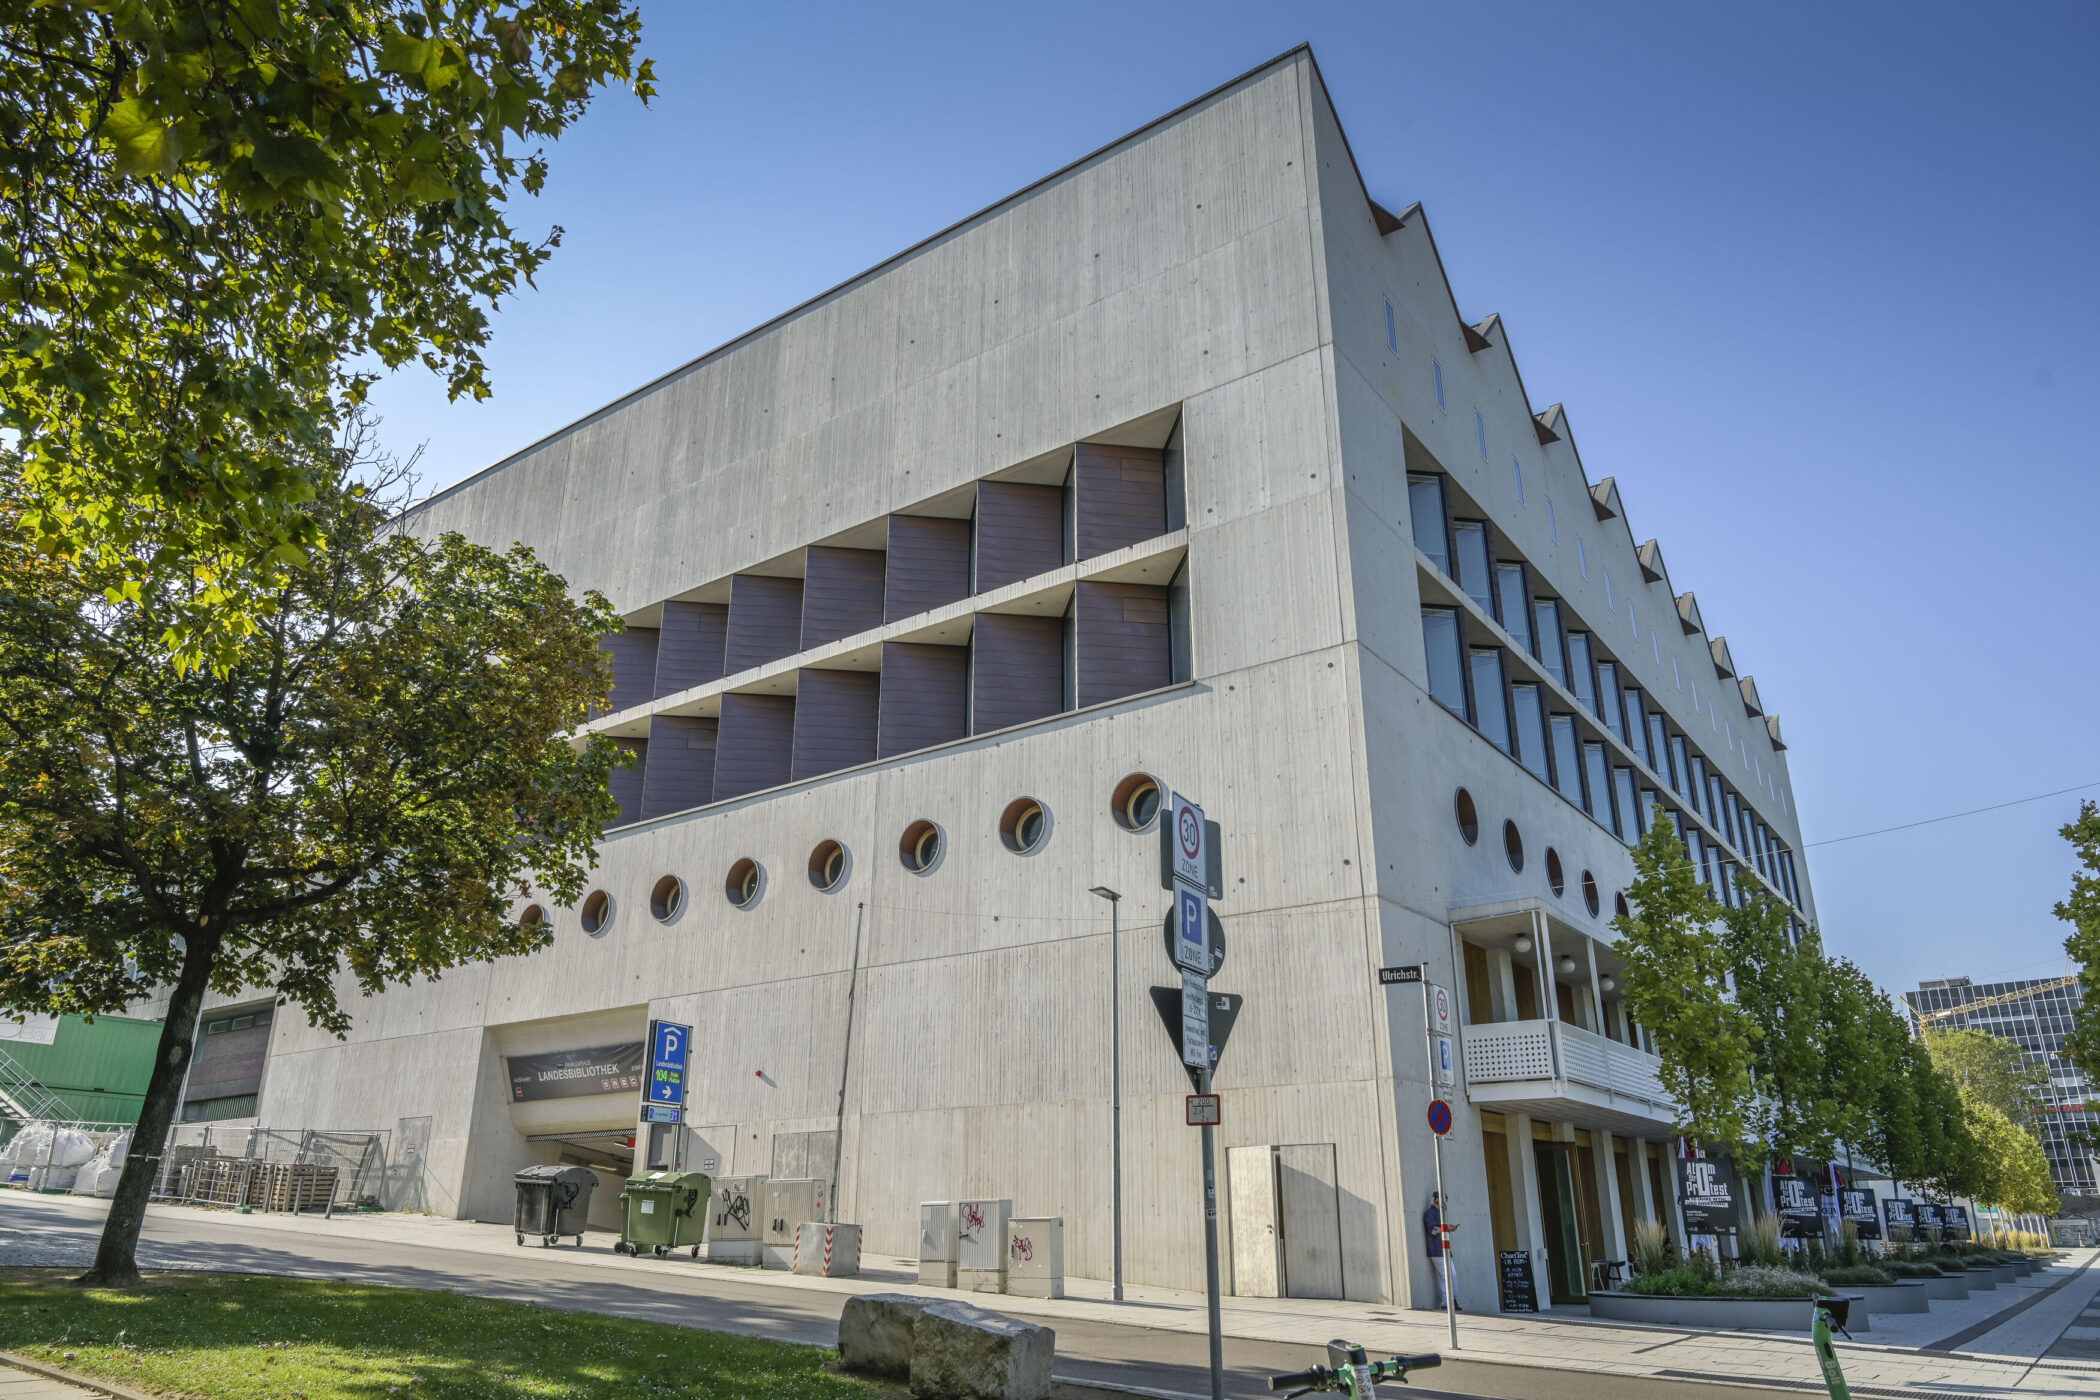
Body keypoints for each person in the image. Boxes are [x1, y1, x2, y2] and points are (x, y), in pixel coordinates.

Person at [1422, 1191, 1459, 1310]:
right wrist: (1447, 1228)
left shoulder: (1441, 1213)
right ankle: (1448, 1303)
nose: (1445, 1202)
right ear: (1437, 1200)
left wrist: (1449, 1228)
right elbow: (1432, 1230)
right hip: (1436, 1250)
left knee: (1450, 1275)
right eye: (1443, 1199)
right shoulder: (1430, 1213)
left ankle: (1449, 1302)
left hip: (1445, 1249)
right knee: (1448, 1275)